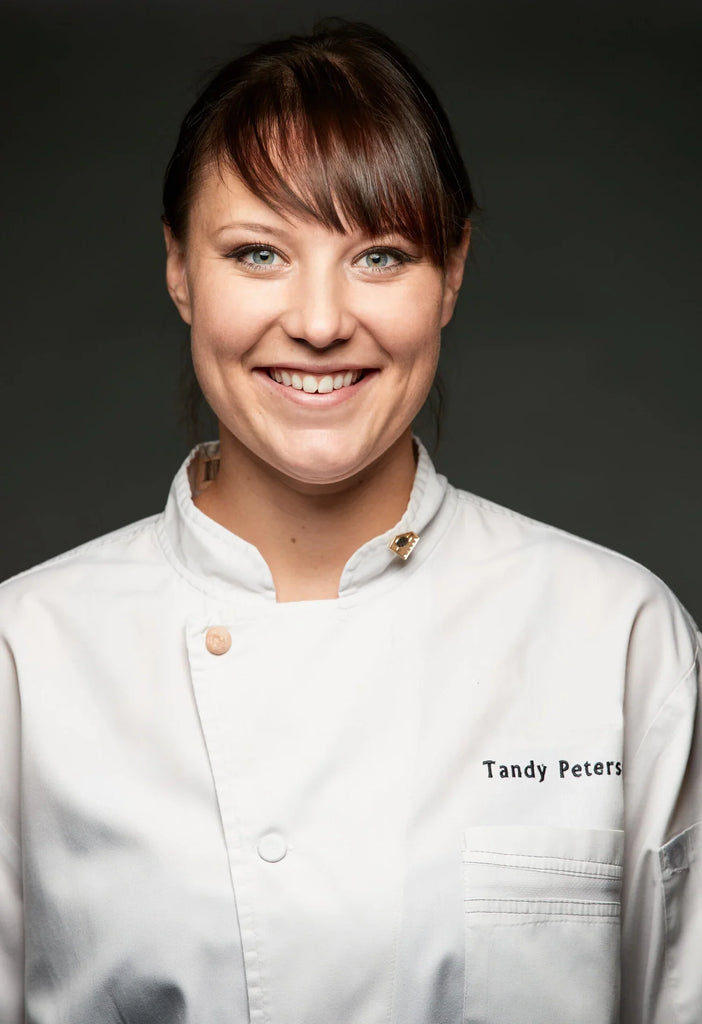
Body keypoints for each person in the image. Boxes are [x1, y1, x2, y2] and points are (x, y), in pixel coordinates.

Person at [0, 18, 699, 1024]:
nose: (321, 322)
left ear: (451, 272)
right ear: (180, 269)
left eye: (379, 255)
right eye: (258, 253)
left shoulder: (619, 637)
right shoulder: (26, 658)